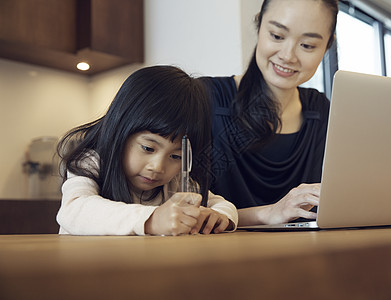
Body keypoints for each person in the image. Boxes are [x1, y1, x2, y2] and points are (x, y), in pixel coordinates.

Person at [201, 0, 338, 226]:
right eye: (276, 36)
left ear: (327, 46)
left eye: (307, 45)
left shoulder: (320, 110)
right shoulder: (206, 98)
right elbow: (187, 211)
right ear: (259, 24)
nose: (288, 56)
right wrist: (271, 213)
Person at [56, 66, 238, 236]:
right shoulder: (92, 163)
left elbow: (220, 204)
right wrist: (152, 219)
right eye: (148, 148)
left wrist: (218, 216)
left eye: (176, 156)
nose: (158, 167)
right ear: (120, 130)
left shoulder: (174, 183)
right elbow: (73, 210)